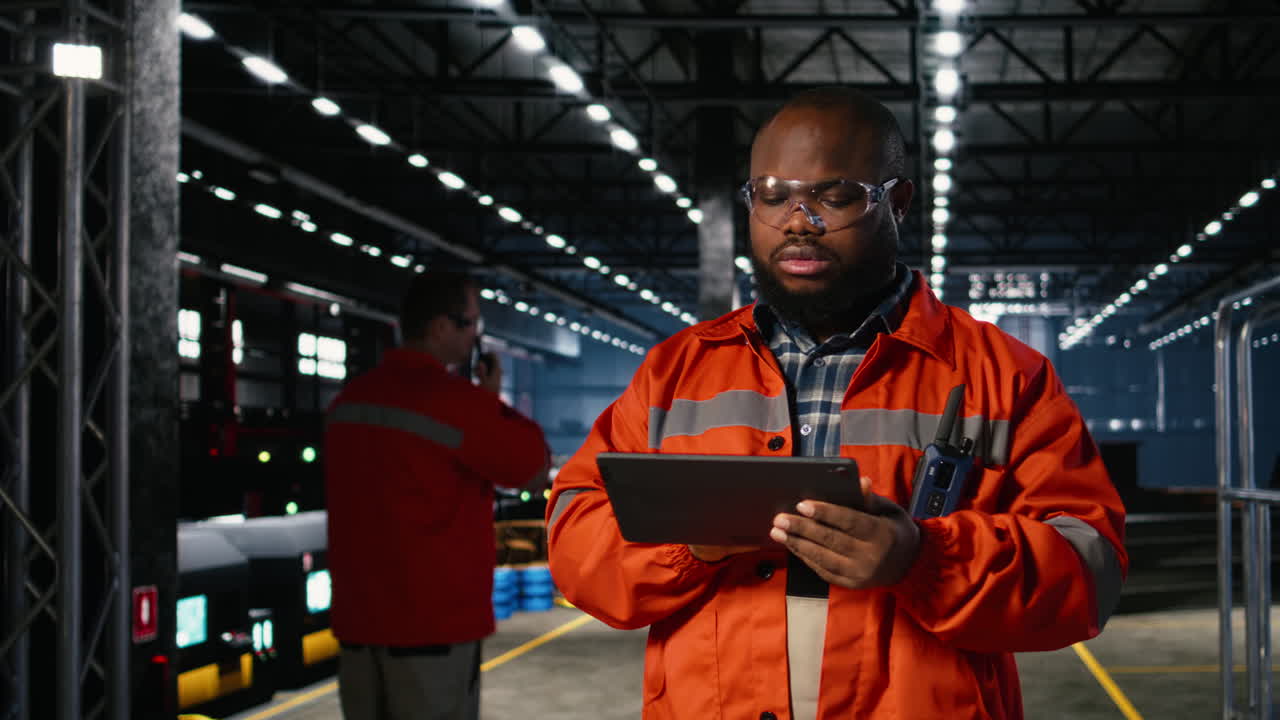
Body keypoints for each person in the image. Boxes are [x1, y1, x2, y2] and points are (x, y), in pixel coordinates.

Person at [545, 87, 1127, 720]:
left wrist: (924, 559)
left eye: (834, 195)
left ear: (897, 202)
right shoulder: (675, 373)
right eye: (771, 195)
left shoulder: (1005, 375)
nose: (798, 220)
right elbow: (576, 536)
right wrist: (691, 546)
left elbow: (1089, 571)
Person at [325, 270, 548, 720]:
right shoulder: (457, 405)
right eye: (472, 325)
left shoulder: (347, 404)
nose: (475, 338)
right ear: (441, 327)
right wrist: (490, 401)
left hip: (358, 630)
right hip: (430, 634)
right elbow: (532, 469)